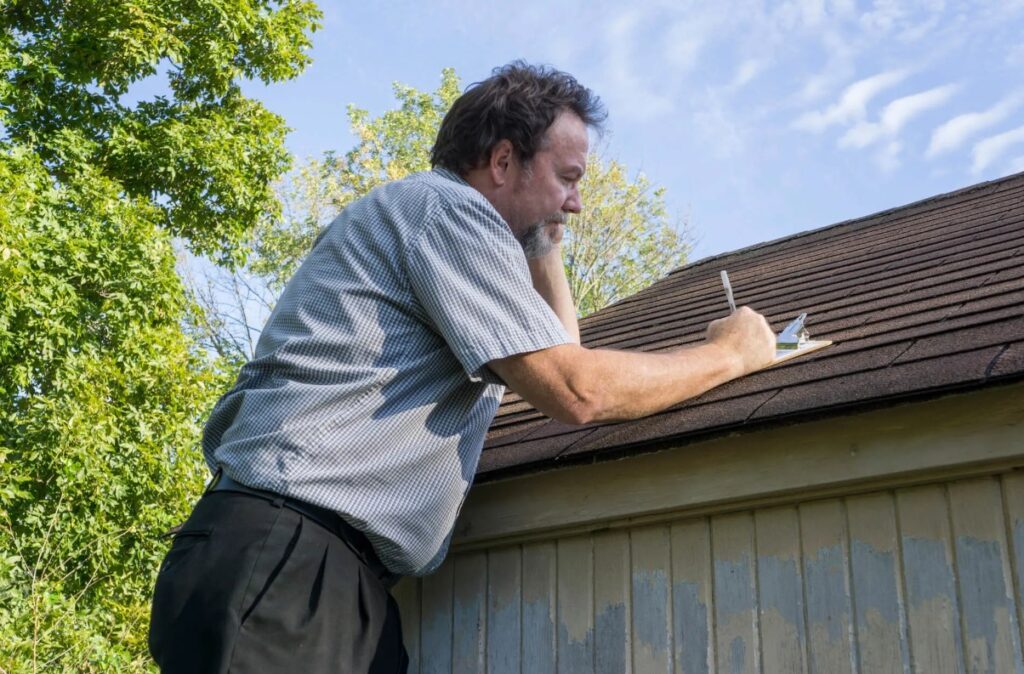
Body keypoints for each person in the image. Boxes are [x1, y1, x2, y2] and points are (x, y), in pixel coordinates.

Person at [148, 61, 775, 673]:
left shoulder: (438, 226)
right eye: (567, 176)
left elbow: (562, 351)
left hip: (323, 575)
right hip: (288, 564)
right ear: (503, 162)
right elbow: (577, 390)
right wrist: (733, 354)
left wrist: (545, 240)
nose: (578, 202)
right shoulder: (444, 211)